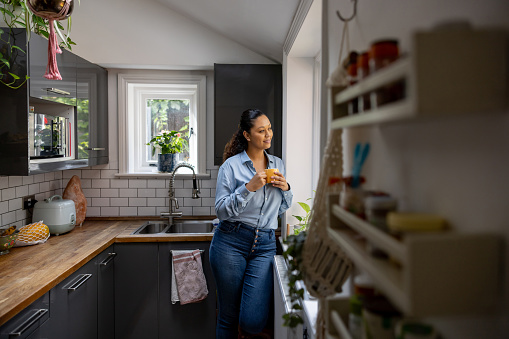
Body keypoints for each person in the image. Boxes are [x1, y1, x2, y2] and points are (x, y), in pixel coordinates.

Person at [210, 108, 293, 339]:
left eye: (269, 129)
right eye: (261, 130)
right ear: (247, 135)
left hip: (265, 244)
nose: (268, 134)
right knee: (228, 316)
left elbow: (282, 208)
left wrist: (286, 188)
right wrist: (248, 188)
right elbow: (221, 210)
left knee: (253, 320)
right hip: (230, 242)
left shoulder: (277, 163)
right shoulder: (230, 167)